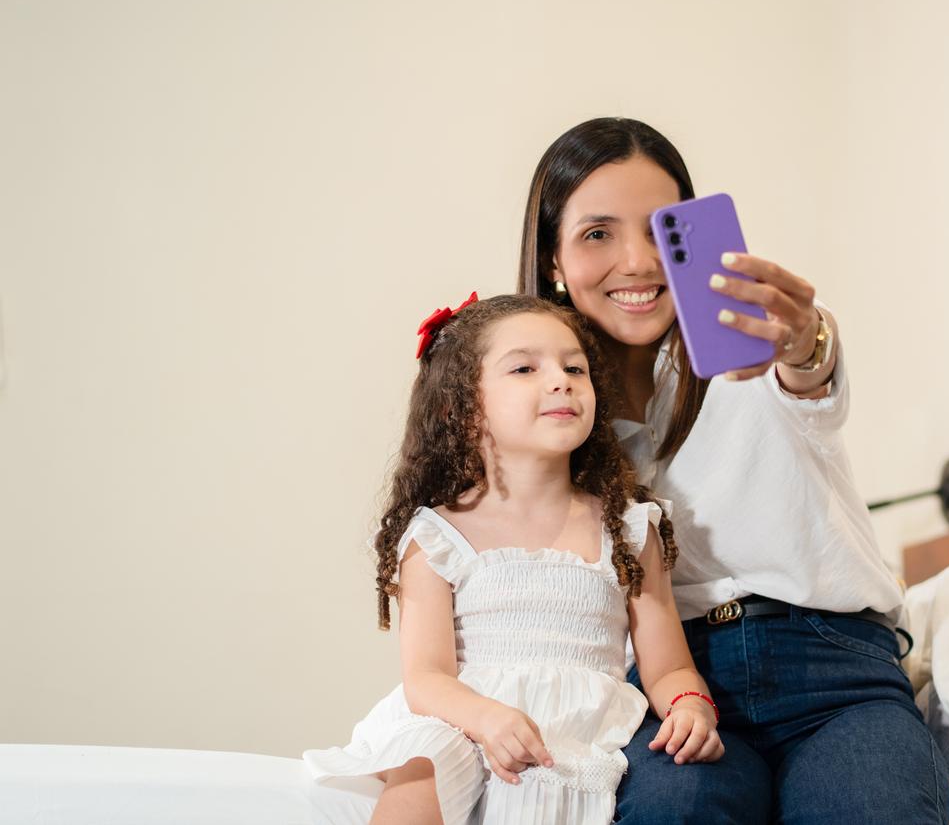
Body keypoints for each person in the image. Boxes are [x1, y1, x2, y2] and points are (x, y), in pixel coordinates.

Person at [516, 118, 949, 824]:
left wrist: (807, 340)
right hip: (673, 690)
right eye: (598, 233)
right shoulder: (550, 415)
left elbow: (809, 376)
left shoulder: (751, 341)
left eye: (661, 231)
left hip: (834, 673)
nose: (638, 261)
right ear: (553, 261)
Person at [303, 294, 723, 825]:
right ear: (462, 408)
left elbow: (669, 668)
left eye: (575, 368)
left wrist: (689, 704)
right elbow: (426, 677)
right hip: (460, 723)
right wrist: (486, 718)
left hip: (569, 741)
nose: (561, 381)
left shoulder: (629, 529)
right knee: (425, 762)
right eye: (525, 368)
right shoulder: (437, 535)